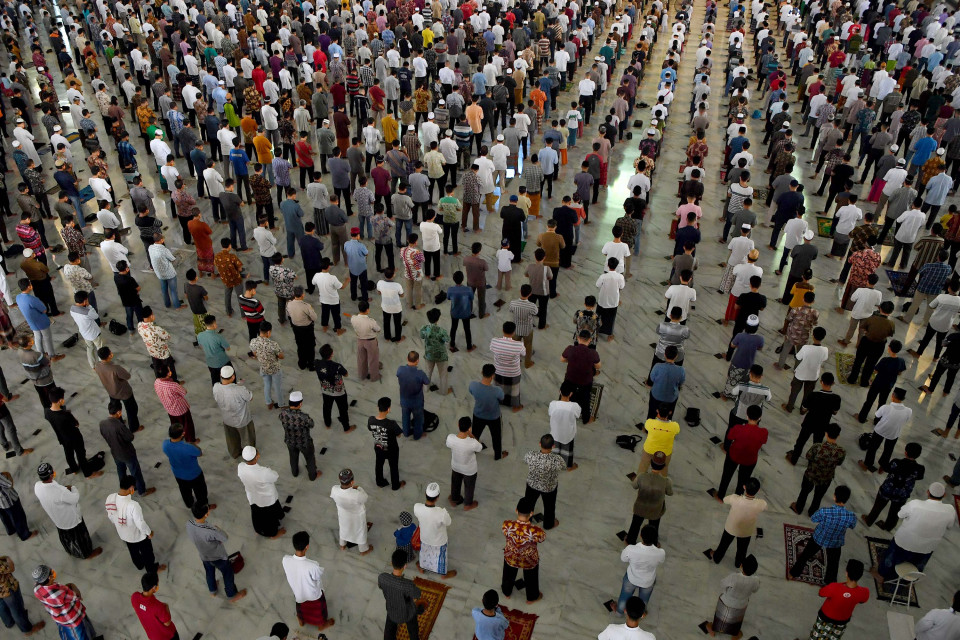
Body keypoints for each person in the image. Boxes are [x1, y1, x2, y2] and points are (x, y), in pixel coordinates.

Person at [877, 481, 956, 579]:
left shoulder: (915, 504)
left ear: (928, 492)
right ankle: (909, 580)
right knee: (917, 565)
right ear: (944, 495)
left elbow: (900, 515)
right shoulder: (950, 510)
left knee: (891, 558)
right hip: (927, 547)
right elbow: (949, 526)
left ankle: (882, 574)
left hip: (904, 542)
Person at [33, 461, 102, 560]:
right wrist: (72, 488)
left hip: (58, 520)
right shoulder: (60, 492)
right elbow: (74, 498)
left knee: (67, 538)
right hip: (71, 520)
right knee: (80, 539)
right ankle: (86, 554)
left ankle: (70, 550)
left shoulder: (37, 486)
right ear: (52, 474)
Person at [789, 486, 856, 585]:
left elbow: (813, 519)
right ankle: (830, 583)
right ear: (846, 499)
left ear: (834, 496)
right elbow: (852, 525)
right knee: (833, 564)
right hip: (836, 541)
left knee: (805, 555)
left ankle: (794, 573)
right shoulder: (851, 516)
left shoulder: (825, 511)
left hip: (819, 538)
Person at [185, 502, 247, 602]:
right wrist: (218, 529)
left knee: (209, 572)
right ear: (207, 514)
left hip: (204, 555)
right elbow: (225, 537)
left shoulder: (189, 524)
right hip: (218, 557)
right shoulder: (210, 529)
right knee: (228, 573)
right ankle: (232, 595)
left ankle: (212, 590)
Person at [861, 442, 925, 531]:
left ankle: (869, 520)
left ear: (905, 452)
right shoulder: (920, 468)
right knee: (895, 512)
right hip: (902, 494)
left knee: (878, 506)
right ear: (919, 455)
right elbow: (919, 477)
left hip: (887, 490)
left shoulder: (896, 462)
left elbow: (887, 469)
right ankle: (888, 526)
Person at [105, 476, 163, 573]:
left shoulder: (110, 498)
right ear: (131, 488)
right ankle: (151, 569)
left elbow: (110, 516)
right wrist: (149, 533)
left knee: (133, 551)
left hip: (124, 534)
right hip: (138, 536)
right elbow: (140, 523)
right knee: (147, 553)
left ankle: (139, 565)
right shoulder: (133, 505)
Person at [706, 477, 766, 568]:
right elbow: (764, 507)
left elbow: (725, 500)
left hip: (731, 528)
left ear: (744, 487)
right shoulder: (761, 503)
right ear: (758, 490)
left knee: (723, 545)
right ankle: (738, 563)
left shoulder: (734, 498)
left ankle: (717, 557)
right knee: (742, 550)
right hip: (746, 531)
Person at [802, 560, 869, 640]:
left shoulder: (834, 587)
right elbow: (862, 600)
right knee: (833, 637)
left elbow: (821, 593)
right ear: (860, 575)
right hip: (842, 621)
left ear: (846, 573)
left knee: (817, 635)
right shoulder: (864, 592)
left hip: (825, 617)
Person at [282, 531, 335, 630]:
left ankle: (301, 620)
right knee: (318, 612)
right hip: (313, 595)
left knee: (301, 608)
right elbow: (317, 577)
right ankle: (321, 625)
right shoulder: (312, 565)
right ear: (307, 547)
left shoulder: (285, 559)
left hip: (298, 593)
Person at [791, 423, 846, 518]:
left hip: (811, 474)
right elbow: (839, 463)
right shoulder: (841, 451)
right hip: (826, 477)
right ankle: (812, 512)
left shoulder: (817, 447)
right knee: (818, 496)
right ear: (838, 436)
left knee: (804, 491)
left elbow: (808, 456)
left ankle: (798, 507)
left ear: (826, 433)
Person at [99, 400, 152, 496]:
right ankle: (142, 491)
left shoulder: (102, 423)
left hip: (115, 452)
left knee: (121, 471)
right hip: (126, 453)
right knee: (135, 472)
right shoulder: (119, 426)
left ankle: (125, 489)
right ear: (119, 412)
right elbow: (130, 437)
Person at [31, 565, 97, 640]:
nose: (53, 572)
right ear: (50, 578)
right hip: (72, 618)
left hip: (60, 618)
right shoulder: (58, 593)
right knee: (80, 635)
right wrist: (73, 586)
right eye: (52, 572)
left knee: (68, 633)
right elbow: (75, 597)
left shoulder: (36, 589)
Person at [701, 555, 760, 638]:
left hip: (726, 602)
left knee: (720, 617)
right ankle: (734, 634)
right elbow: (755, 590)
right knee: (736, 620)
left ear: (741, 566)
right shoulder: (756, 580)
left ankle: (713, 629)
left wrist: (725, 592)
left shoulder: (734, 577)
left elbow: (722, 584)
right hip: (741, 605)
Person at [501, 497, 546, 604]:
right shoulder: (536, 531)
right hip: (528, 559)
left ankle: (506, 592)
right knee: (531, 578)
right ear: (531, 513)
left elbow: (505, 533)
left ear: (516, 510)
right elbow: (542, 538)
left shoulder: (507, 524)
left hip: (511, 555)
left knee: (508, 574)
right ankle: (531, 597)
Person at [613, 524, 665, 614]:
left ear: (641, 536)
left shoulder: (631, 549)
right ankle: (641, 613)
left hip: (631, 578)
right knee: (643, 601)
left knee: (624, 597)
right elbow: (661, 561)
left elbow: (623, 559)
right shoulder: (660, 553)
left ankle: (619, 611)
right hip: (648, 581)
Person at [859, 387, 912, 473]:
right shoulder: (909, 411)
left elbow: (877, 415)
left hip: (880, 430)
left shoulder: (886, 408)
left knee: (873, 447)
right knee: (888, 450)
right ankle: (883, 466)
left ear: (893, 396)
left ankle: (867, 464)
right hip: (894, 433)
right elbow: (906, 420)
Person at [237, 446, 285, 538]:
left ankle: (259, 529)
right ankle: (273, 534)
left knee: (258, 515)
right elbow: (275, 477)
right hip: (267, 499)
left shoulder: (240, 467)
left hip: (253, 497)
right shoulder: (264, 472)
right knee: (269, 518)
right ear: (257, 456)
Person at [378, 549, 424, 640]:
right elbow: (418, 594)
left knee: (389, 634)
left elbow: (381, 586)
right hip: (407, 613)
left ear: (391, 563)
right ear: (405, 566)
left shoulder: (382, 577)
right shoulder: (408, 585)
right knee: (413, 631)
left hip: (392, 610)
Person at [212, 365, 257, 459]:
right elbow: (250, 397)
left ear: (221, 375)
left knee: (231, 439)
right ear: (233, 377)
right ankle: (249, 456)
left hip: (227, 419)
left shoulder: (216, 387)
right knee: (247, 439)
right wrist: (240, 385)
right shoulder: (240, 389)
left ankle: (235, 453)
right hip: (242, 420)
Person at [523, 434, 566, 530]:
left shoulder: (530, 455)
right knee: (549, 507)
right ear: (553, 446)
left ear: (539, 444)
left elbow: (525, 460)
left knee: (529, 503)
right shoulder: (557, 460)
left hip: (532, 485)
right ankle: (548, 524)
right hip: (549, 487)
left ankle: (526, 521)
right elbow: (563, 467)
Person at [161, 424, 210, 509]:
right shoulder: (188, 447)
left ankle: (189, 504)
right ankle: (203, 505)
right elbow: (199, 453)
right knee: (200, 491)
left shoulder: (165, 444)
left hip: (178, 474)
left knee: (184, 491)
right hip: (194, 474)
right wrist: (192, 444)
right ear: (182, 434)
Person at [414, 482, 456, 578]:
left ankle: (422, 567)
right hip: (439, 541)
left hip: (424, 537)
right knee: (441, 558)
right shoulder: (442, 513)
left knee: (425, 553)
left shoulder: (417, 507)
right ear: (437, 497)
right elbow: (448, 522)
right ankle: (443, 574)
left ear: (425, 493)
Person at [330, 469, 373, 554]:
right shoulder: (356, 494)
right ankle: (363, 550)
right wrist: (359, 488)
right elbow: (365, 498)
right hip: (357, 517)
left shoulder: (334, 489)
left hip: (343, 515)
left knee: (344, 528)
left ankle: (342, 545)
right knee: (360, 532)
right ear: (352, 482)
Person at [279, 392, 319, 481]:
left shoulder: (283, 413)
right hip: (304, 443)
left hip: (290, 441)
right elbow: (311, 425)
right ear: (300, 404)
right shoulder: (303, 417)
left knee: (293, 457)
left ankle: (295, 473)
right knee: (310, 459)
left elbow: (280, 418)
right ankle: (313, 476)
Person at [369, 397, 405, 491]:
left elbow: (370, 428)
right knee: (393, 466)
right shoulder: (391, 424)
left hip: (378, 447)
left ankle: (380, 482)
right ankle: (395, 485)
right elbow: (399, 435)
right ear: (388, 409)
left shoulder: (371, 420)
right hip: (391, 449)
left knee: (379, 464)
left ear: (378, 407)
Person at [0, 557, 44, 635]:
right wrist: (8, 559)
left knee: (1, 605)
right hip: (7, 589)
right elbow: (11, 568)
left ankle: (9, 622)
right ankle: (27, 629)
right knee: (17, 610)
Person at [130, 573, 176, 640]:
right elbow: (167, 623)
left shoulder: (134, 597)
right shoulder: (158, 607)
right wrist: (166, 606)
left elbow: (144, 608)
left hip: (153, 637)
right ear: (154, 588)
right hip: (168, 636)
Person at [396, 351, 431, 438]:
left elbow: (398, 375)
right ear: (417, 361)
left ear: (407, 359)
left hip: (404, 400)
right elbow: (427, 382)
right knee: (418, 420)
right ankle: (417, 435)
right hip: (417, 402)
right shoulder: (420, 373)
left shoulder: (400, 369)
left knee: (405, 417)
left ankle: (406, 432)